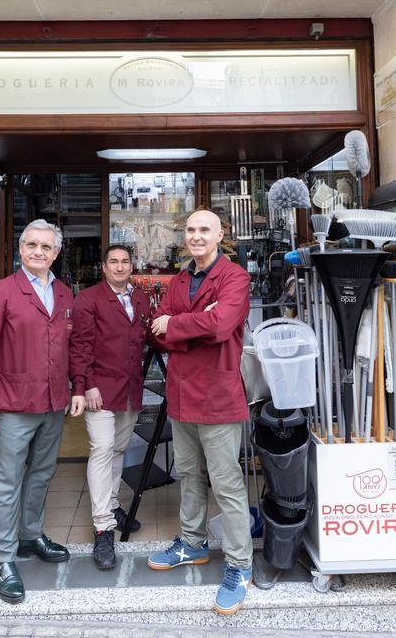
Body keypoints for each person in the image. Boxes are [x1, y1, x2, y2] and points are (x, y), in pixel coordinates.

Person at [0, 219, 85, 605]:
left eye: (46, 247)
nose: (38, 251)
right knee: (7, 481)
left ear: (56, 253)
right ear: (21, 249)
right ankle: (4, 557)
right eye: (31, 245)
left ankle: (30, 534)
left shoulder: (65, 295)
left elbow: (72, 347)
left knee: (41, 473)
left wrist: (76, 388)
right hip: (13, 404)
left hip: (53, 402)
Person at [146, 209, 253, 616]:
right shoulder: (178, 280)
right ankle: (192, 544)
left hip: (219, 398)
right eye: (190, 230)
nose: (196, 236)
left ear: (219, 235)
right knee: (188, 474)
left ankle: (241, 565)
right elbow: (156, 332)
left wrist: (174, 325)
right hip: (181, 396)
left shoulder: (235, 278)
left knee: (226, 485)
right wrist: (189, 326)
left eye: (204, 229)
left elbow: (223, 325)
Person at [69, 244, 152, 570]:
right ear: (103, 267)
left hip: (130, 389)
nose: (119, 267)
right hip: (99, 390)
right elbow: (80, 346)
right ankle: (103, 526)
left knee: (118, 448)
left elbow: (149, 336)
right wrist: (85, 384)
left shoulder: (140, 299)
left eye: (125, 262)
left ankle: (113, 505)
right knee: (102, 449)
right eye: (113, 262)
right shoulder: (88, 300)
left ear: (132, 266)